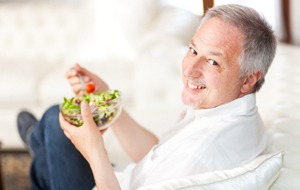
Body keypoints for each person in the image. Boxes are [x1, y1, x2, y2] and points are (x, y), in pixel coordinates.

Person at [17, 4, 276, 190]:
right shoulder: (222, 109)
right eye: (193, 50)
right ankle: (41, 146)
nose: (190, 69)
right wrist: (110, 101)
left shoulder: (203, 154)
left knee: (54, 120)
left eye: (212, 62)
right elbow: (154, 154)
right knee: (55, 125)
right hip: (125, 177)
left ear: (249, 79)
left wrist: (94, 148)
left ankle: (40, 147)